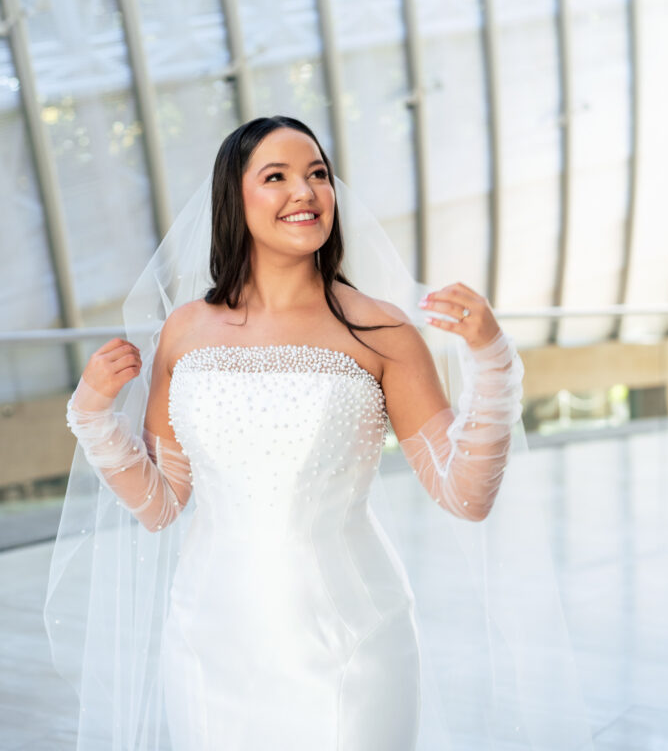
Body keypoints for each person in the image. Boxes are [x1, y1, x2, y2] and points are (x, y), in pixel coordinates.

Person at [47, 115, 593, 750]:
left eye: (318, 175)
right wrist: (91, 412)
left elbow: (466, 495)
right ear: (234, 198)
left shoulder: (382, 332)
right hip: (208, 640)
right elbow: (162, 503)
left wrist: (492, 362)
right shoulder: (185, 331)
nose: (304, 192)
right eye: (276, 176)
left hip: (350, 640)